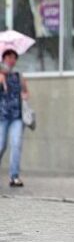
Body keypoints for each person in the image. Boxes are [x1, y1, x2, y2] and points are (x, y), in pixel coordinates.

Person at [0, 50, 29, 187]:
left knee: (16, 144)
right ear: (4, 59)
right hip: (2, 116)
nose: (12, 60)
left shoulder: (18, 75)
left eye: (14, 58)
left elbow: (25, 91)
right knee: (1, 145)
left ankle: (14, 176)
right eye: (9, 57)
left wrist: (25, 93)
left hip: (17, 116)